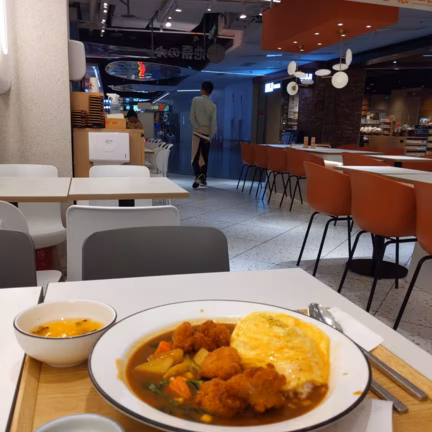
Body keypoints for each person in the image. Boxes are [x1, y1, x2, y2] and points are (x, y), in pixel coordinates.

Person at [190, 81, 217, 188]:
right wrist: (211, 135)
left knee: (195, 156)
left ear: (202, 90)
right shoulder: (213, 105)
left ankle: (198, 175)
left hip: (197, 133)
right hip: (207, 134)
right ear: (210, 92)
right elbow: (214, 123)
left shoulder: (195, 100)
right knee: (205, 158)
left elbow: (192, 116)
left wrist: (197, 128)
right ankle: (203, 179)